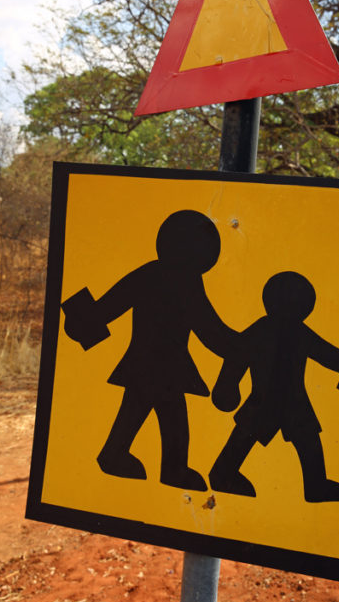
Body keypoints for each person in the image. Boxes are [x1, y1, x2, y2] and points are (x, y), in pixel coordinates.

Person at [61, 210, 238, 491]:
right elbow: (209, 329)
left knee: (142, 409)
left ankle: (126, 456)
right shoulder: (185, 281)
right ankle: (166, 467)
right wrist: (238, 346)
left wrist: (88, 317)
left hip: (150, 363)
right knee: (168, 415)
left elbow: (109, 306)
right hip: (162, 364)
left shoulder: (154, 273)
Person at [208, 271, 339, 501]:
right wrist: (226, 386)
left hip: (291, 400)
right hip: (267, 399)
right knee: (249, 434)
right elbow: (238, 356)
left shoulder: (297, 332)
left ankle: (315, 485)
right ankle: (223, 473)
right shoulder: (265, 330)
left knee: (305, 438)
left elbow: (329, 355)